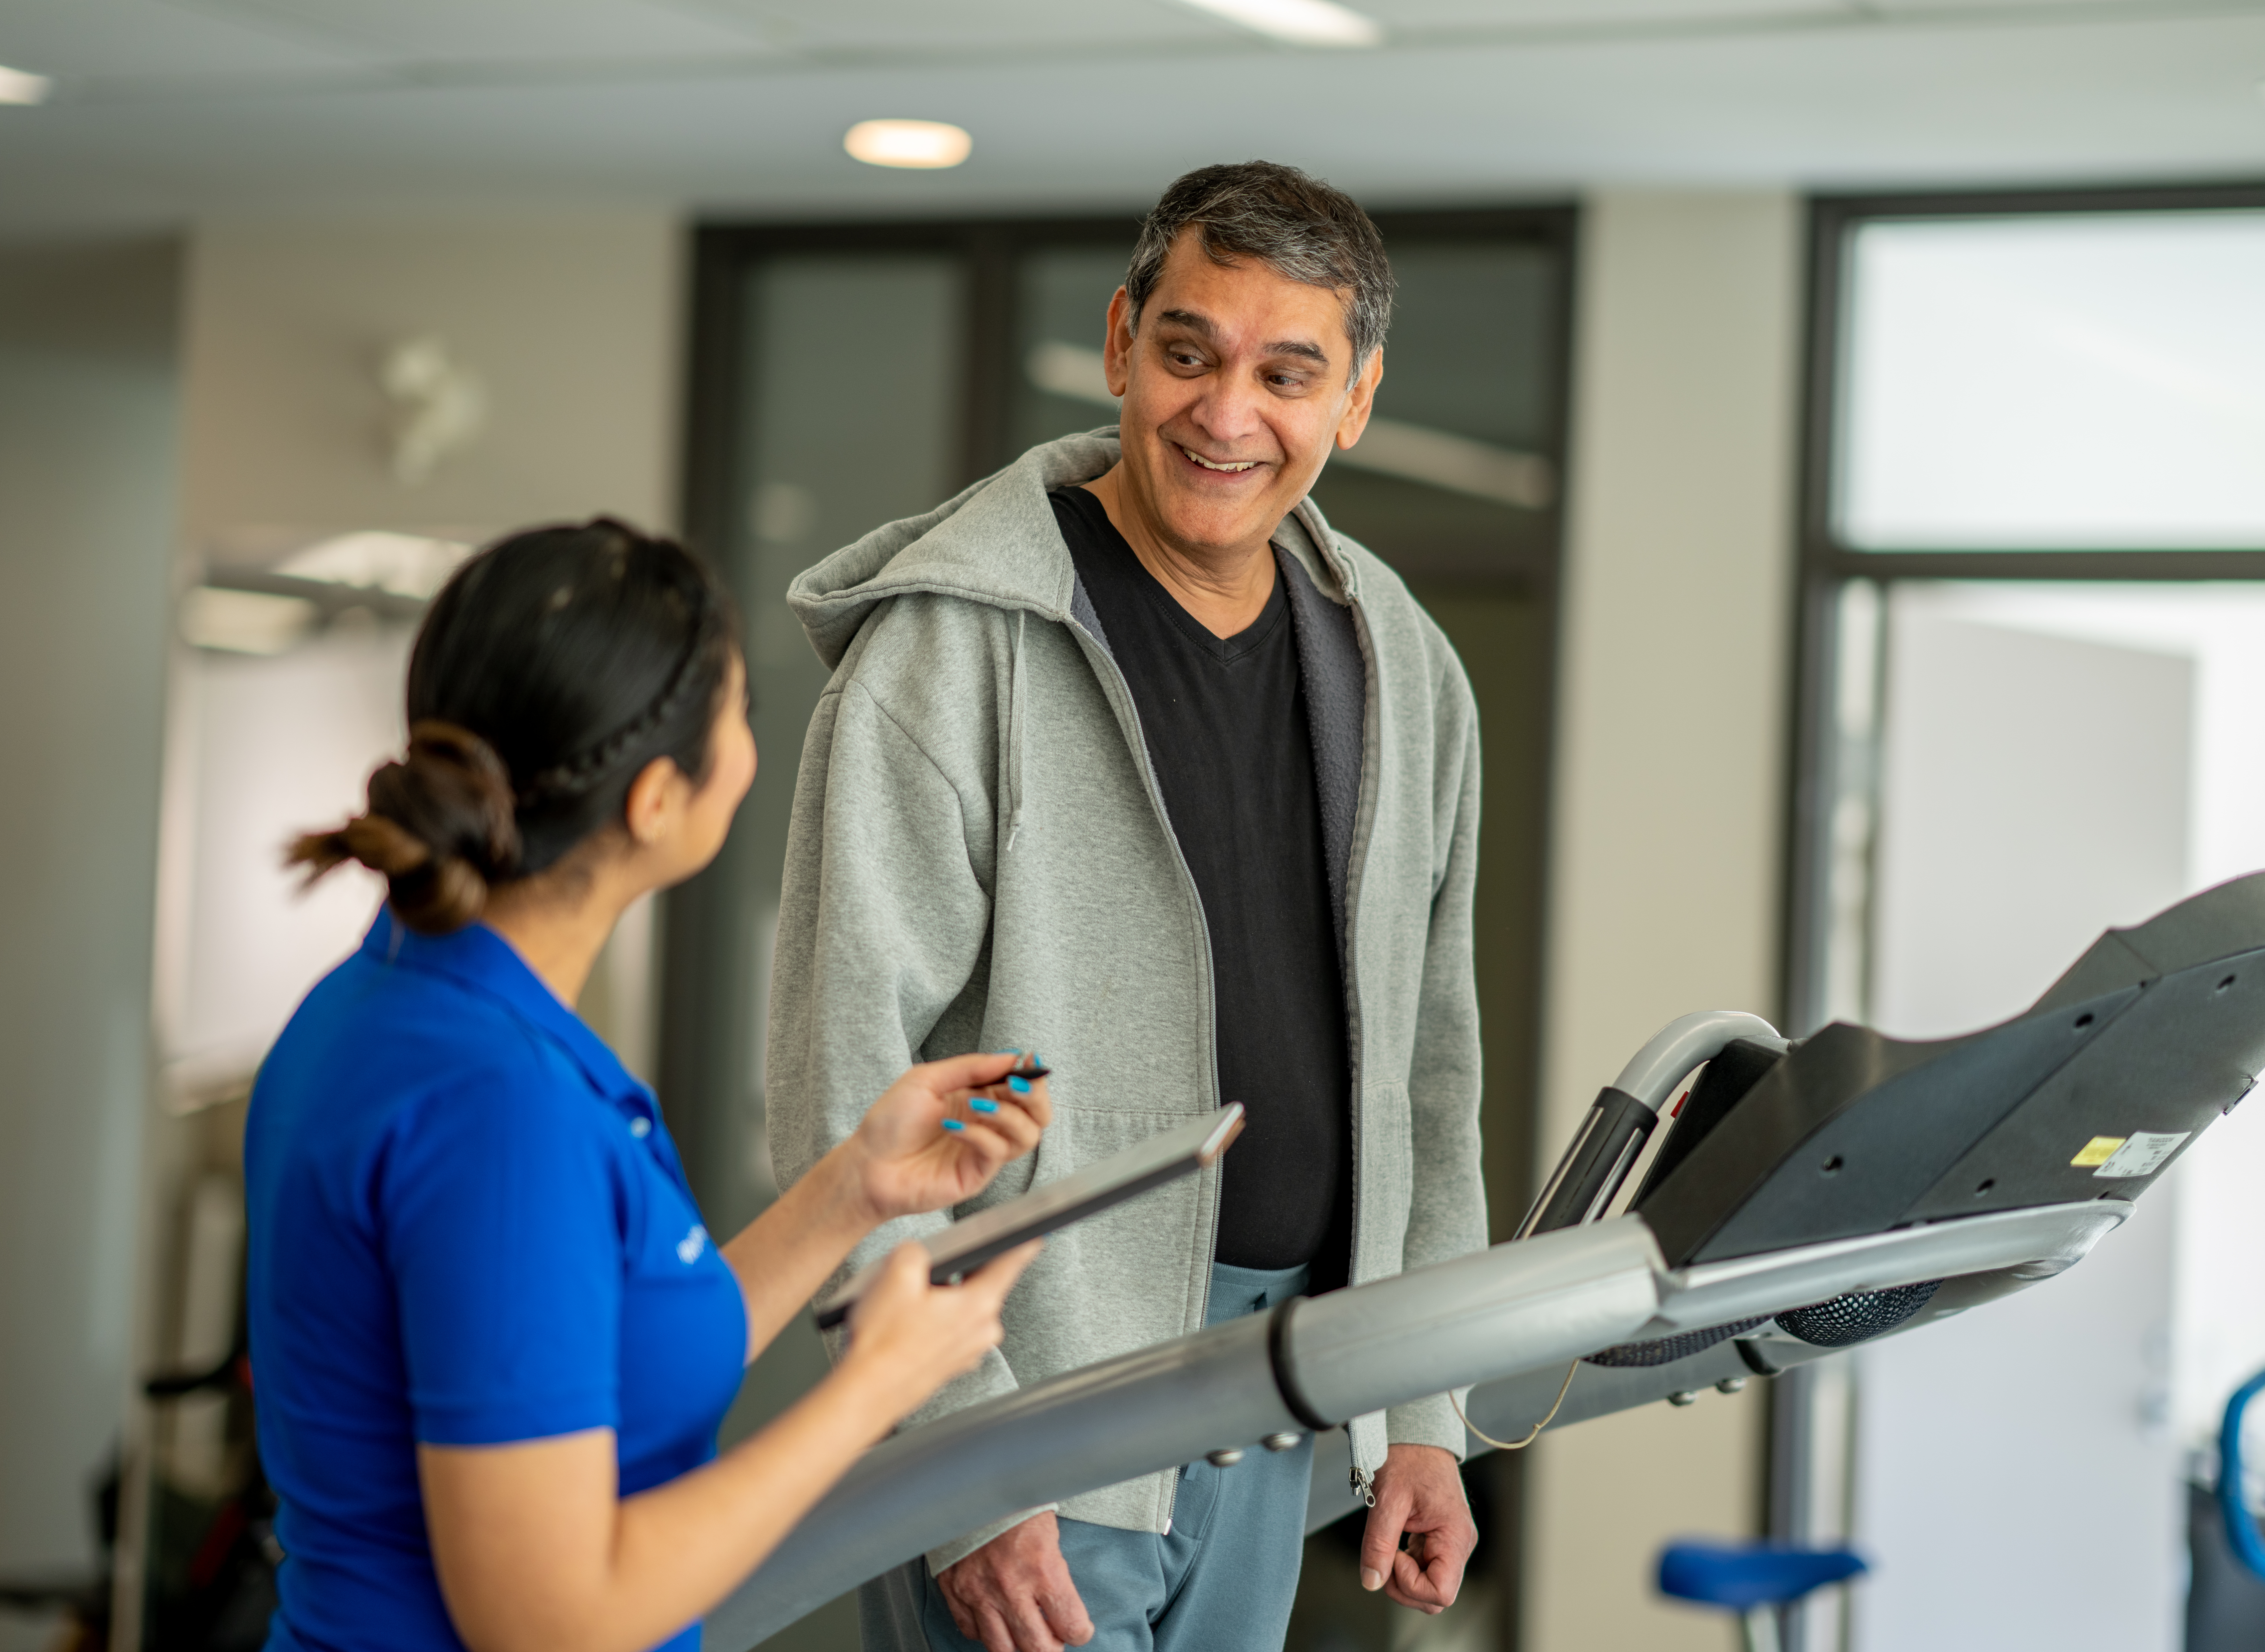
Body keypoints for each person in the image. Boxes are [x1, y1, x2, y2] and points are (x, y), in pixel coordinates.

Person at [767, 161, 1488, 1652]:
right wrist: (959, 1459)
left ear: (1355, 399)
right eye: (1188, 354)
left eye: (1287, 374)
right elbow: (843, 1085)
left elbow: (1433, 1074)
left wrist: (1426, 1400)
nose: (1227, 415)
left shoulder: (1399, 667)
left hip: (1280, 1390)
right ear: (1119, 343)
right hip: (1028, 1390)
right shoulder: (952, 652)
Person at [245, 518, 1049, 1652]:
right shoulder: (500, 1109)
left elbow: (596, 1356)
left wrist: (855, 1190)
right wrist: (873, 1389)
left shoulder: (386, 1007)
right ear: (656, 801)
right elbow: (554, 1619)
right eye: (740, 717)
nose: (753, 748)